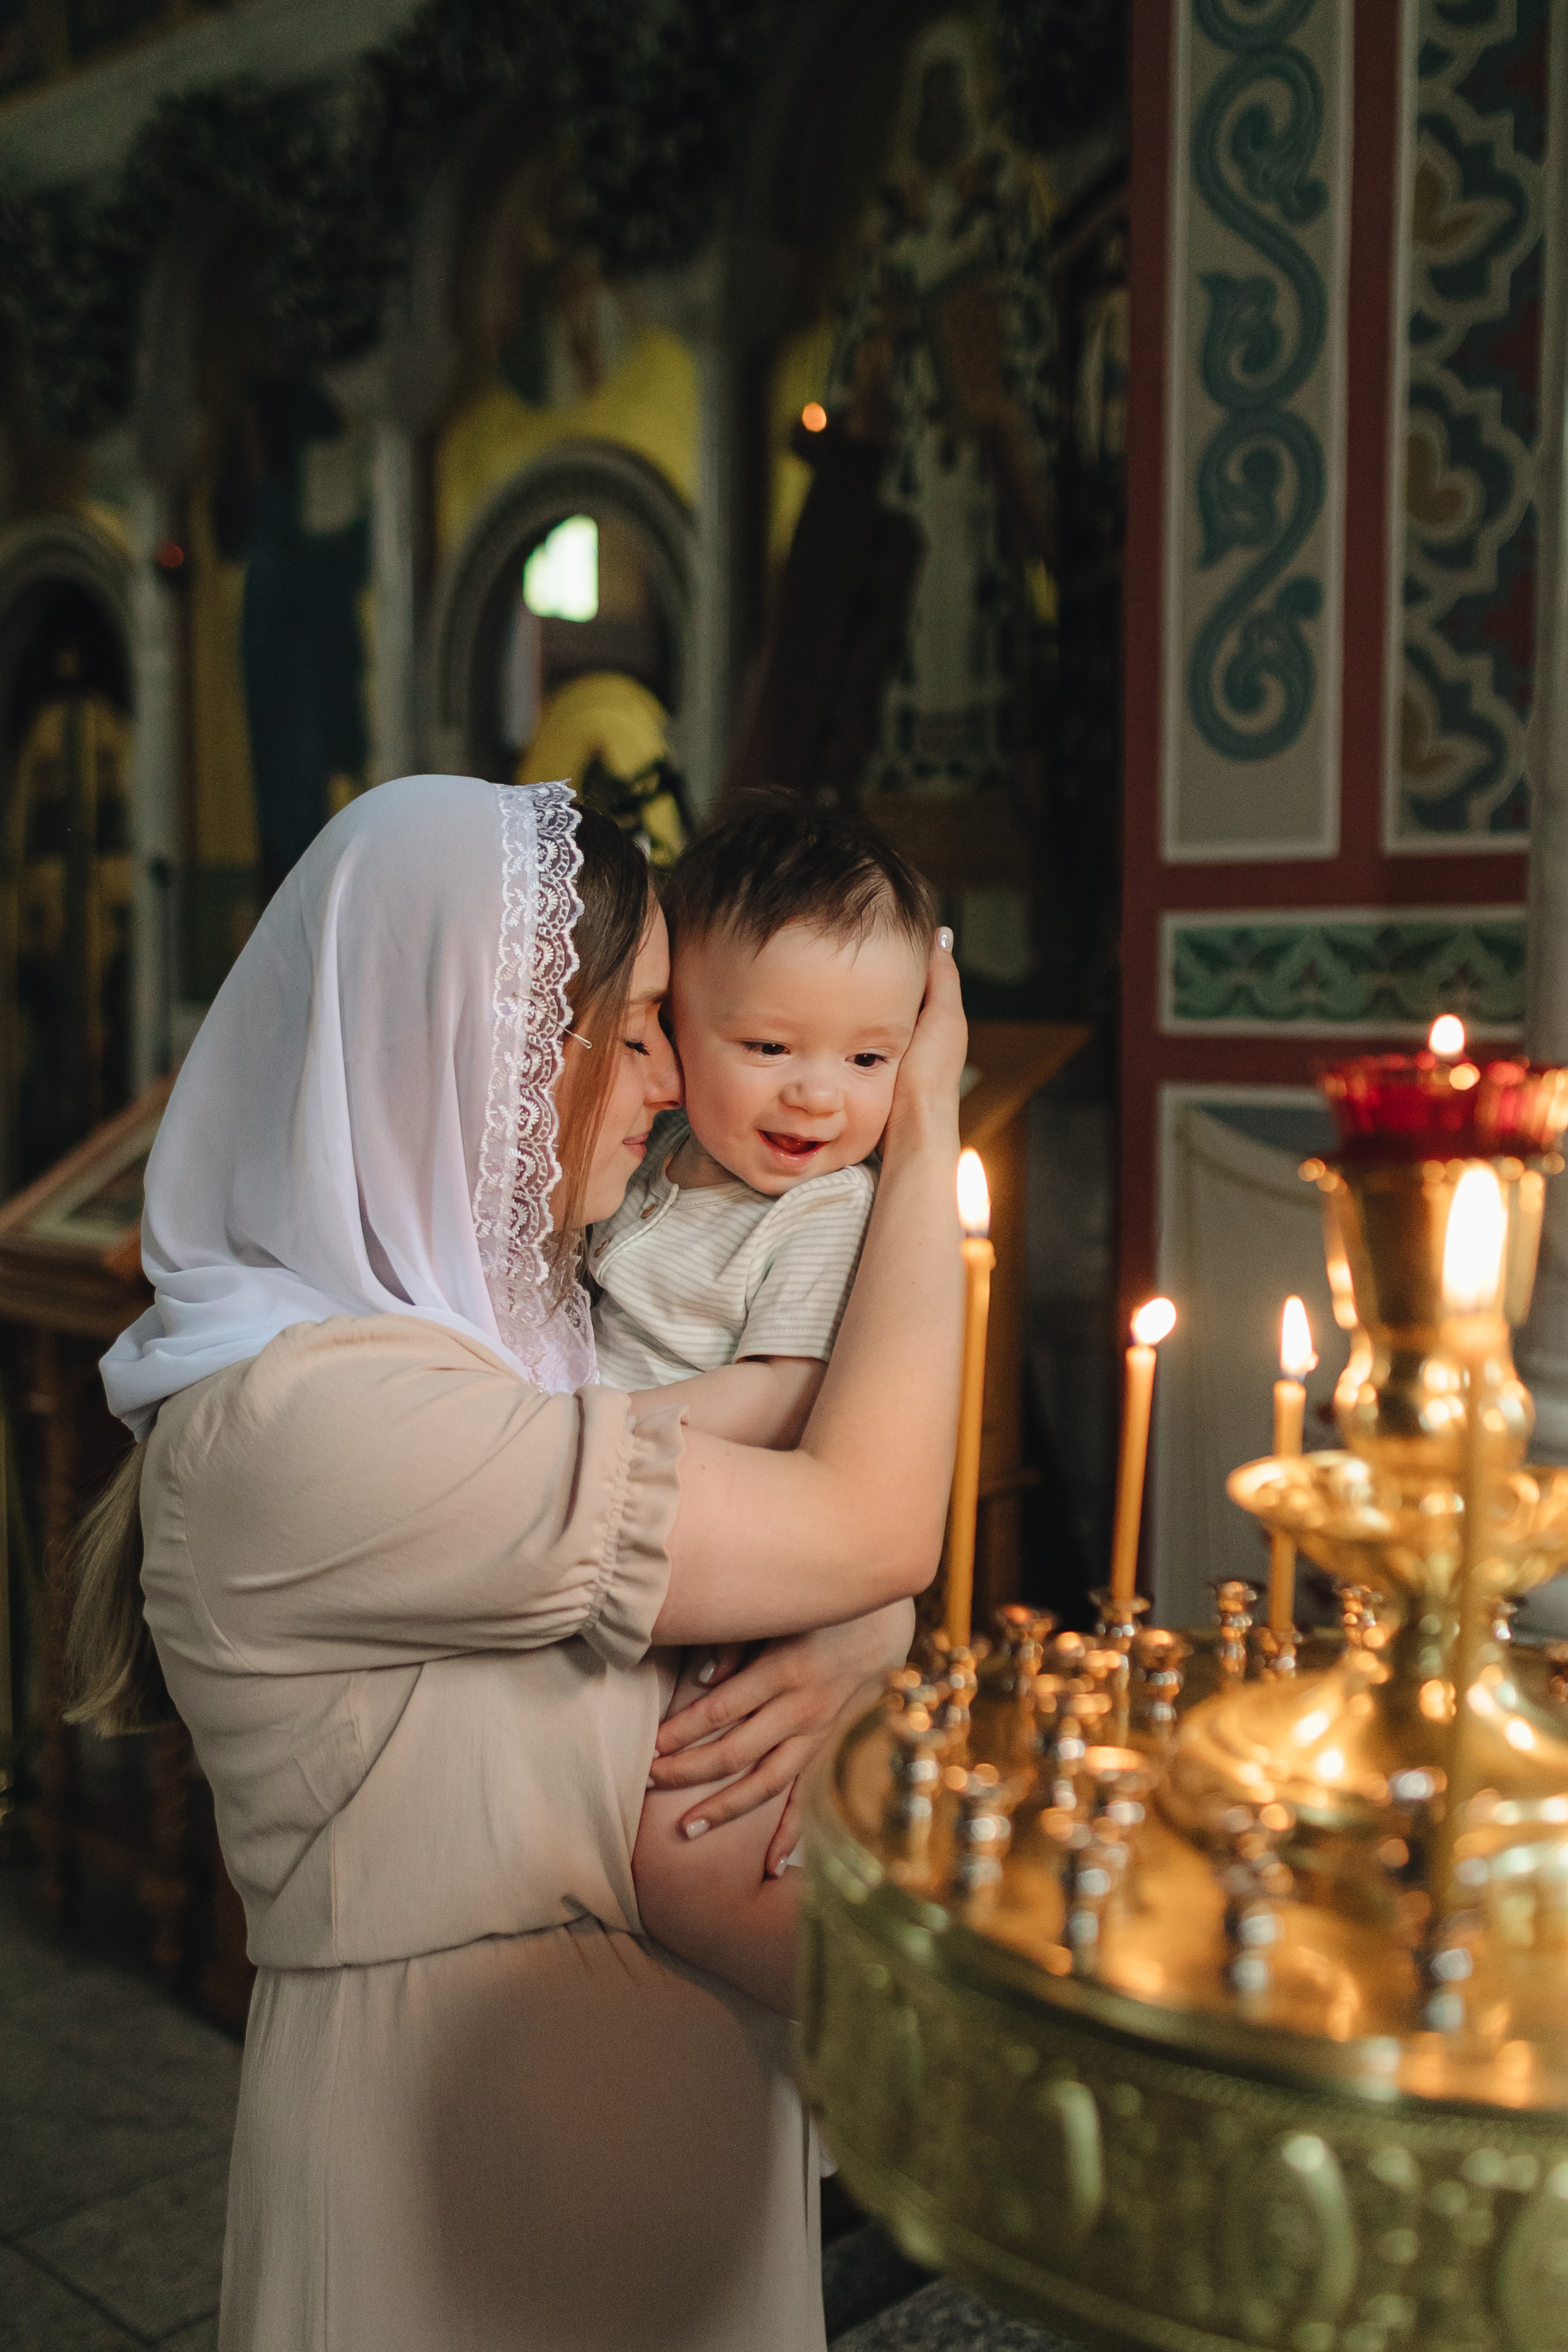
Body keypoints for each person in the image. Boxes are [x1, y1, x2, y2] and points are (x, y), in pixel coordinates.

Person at [66, 774, 965, 2352]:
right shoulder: (309, 1414)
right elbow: (863, 1520)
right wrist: (930, 1121)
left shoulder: (531, 1342)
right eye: (624, 1032)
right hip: (451, 2200)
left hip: (682, 2176)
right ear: (463, 1047)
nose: (660, 1085)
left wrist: (858, 1628)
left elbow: (821, 1560)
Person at [590, 794, 935, 2015]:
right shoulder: (654, 1158)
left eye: (866, 1058)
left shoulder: (822, 1212)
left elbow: (779, 1392)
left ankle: (902, 2046)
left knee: (692, 1863)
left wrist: (586, 1438)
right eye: (770, 1048)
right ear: (676, 1023)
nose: (816, 1099)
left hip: (735, 1562)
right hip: (634, 1550)